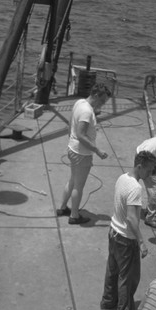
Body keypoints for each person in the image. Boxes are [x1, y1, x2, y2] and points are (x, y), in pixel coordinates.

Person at [100, 150, 156, 310]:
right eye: (148, 170)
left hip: (113, 231)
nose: (150, 174)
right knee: (128, 277)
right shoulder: (136, 188)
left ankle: (109, 301)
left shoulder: (122, 178)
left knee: (112, 270)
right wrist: (141, 242)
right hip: (126, 238)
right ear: (140, 167)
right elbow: (132, 218)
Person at [56, 83, 111, 224]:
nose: (103, 104)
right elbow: (81, 135)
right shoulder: (87, 112)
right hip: (81, 154)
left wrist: (71, 139)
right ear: (96, 95)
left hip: (73, 149)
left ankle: (62, 208)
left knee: (73, 180)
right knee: (78, 186)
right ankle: (74, 216)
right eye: (103, 101)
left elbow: (70, 125)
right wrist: (97, 150)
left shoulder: (79, 102)